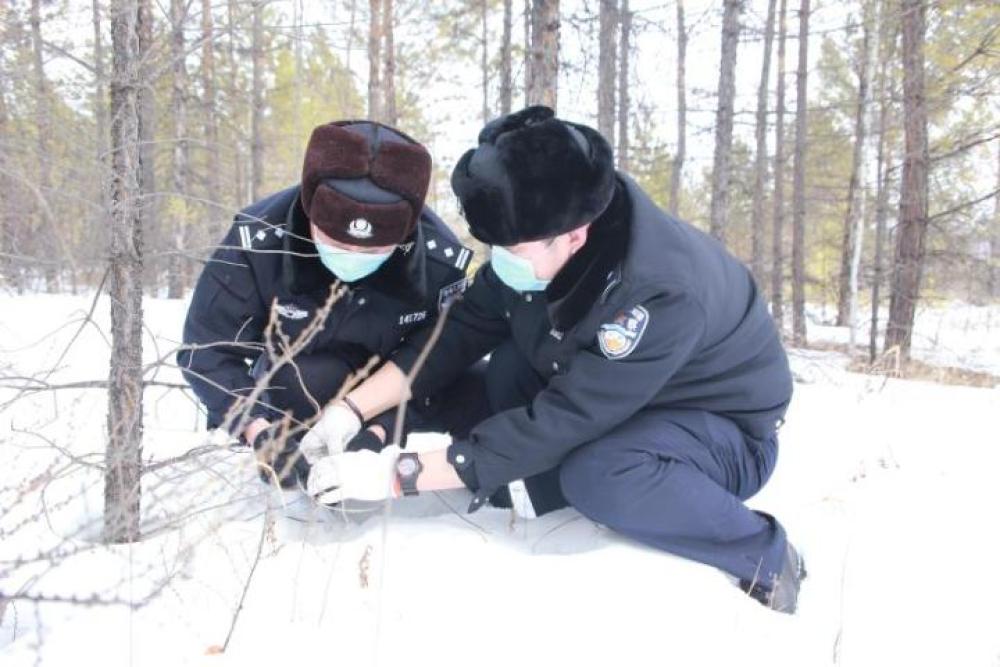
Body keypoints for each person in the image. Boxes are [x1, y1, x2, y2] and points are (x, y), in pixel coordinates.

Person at [303, 106, 805, 613]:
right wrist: (352, 409)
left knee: (600, 473)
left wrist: (401, 474)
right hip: (633, 397)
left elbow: (564, 419)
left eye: (512, 251)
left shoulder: (657, 293)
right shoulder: (546, 220)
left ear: (574, 235)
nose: (501, 262)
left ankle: (764, 553)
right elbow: (456, 333)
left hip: (721, 432)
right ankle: (543, 496)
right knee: (508, 365)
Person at [176, 119, 483, 491]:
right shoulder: (258, 241)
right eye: (337, 242)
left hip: (394, 384)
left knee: (486, 383)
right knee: (301, 378)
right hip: (299, 381)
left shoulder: (440, 262)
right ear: (311, 213)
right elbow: (205, 350)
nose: (352, 255)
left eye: (372, 249)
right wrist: (257, 429)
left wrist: (381, 427)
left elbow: (439, 360)